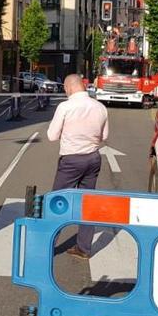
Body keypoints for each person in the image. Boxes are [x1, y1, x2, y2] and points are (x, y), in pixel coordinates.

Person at [47, 74, 109, 259]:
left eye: (65, 89)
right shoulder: (100, 107)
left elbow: (51, 135)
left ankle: (48, 244)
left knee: (57, 203)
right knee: (87, 202)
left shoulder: (65, 107)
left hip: (71, 160)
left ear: (69, 87)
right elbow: (104, 136)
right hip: (93, 159)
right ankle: (84, 247)